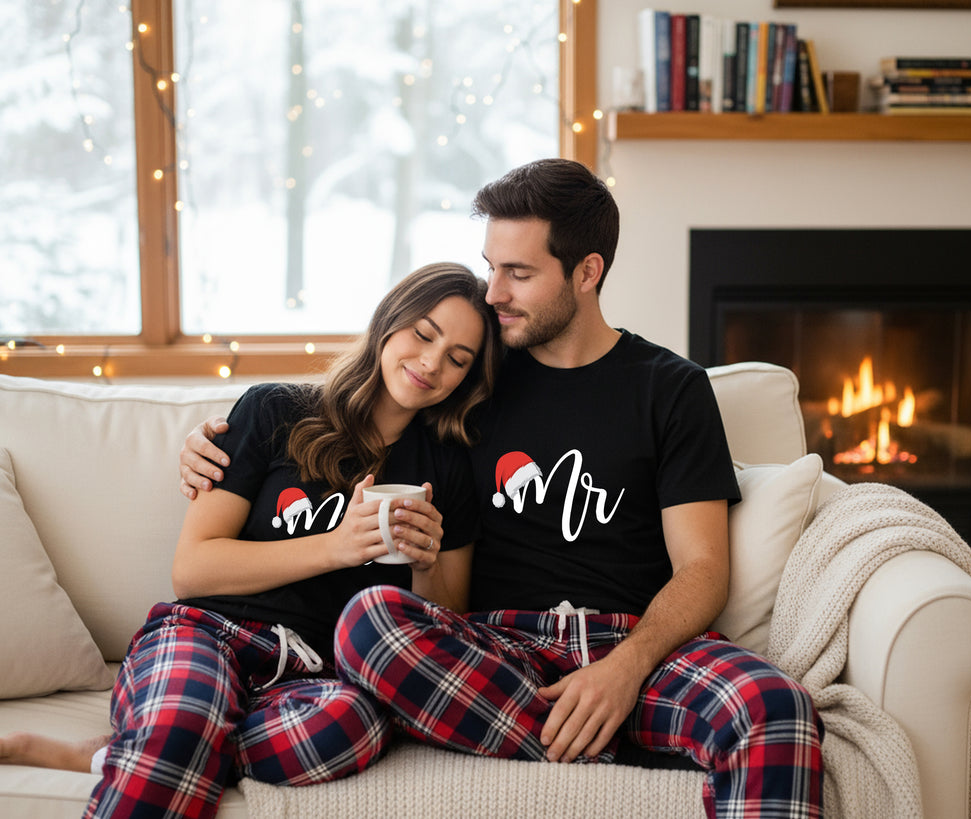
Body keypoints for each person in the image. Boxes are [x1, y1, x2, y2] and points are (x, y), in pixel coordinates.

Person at [179, 159, 825, 817]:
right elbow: (351, 407)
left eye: (518, 273)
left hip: (634, 648)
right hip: (491, 654)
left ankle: (599, 724)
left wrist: (625, 669)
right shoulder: (468, 376)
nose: (493, 293)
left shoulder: (672, 388)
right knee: (370, 622)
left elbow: (704, 567)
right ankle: (614, 742)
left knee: (779, 710)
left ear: (587, 272)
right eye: (491, 266)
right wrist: (212, 445)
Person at [0, 262, 502, 819]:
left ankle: (137, 751)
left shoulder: (449, 467)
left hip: (316, 672)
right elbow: (193, 569)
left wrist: (426, 565)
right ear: (389, 322)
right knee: (190, 712)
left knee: (351, 728)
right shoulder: (275, 411)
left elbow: (449, 617)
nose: (432, 363)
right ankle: (169, 736)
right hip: (209, 634)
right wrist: (337, 545)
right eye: (423, 334)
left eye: (458, 359)